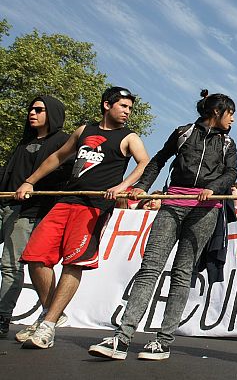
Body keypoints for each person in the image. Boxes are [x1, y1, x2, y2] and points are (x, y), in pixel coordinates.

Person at [89, 90, 237, 361]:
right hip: (171, 205)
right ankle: (122, 337)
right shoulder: (182, 133)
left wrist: (214, 188)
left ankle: (163, 341)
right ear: (217, 112)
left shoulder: (229, 144)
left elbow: (231, 174)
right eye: (231, 113)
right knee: (150, 268)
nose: (233, 120)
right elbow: (158, 160)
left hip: (205, 212)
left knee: (183, 273)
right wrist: (142, 187)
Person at [14, 87, 149, 349]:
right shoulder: (84, 130)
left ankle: (48, 325)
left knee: (74, 262)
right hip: (66, 199)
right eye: (123, 106)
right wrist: (29, 181)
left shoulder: (129, 137)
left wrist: (123, 187)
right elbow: (57, 156)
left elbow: (143, 162)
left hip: (94, 206)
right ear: (107, 105)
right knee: (35, 256)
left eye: (130, 108)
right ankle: (52, 312)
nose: (127, 112)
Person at [0, 97, 70, 339]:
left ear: (51, 113)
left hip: (30, 212)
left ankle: (3, 318)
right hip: (6, 204)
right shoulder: (24, 141)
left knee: (11, 265)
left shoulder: (62, 141)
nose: (32, 113)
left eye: (39, 109)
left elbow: (66, 176)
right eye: (31, 108)